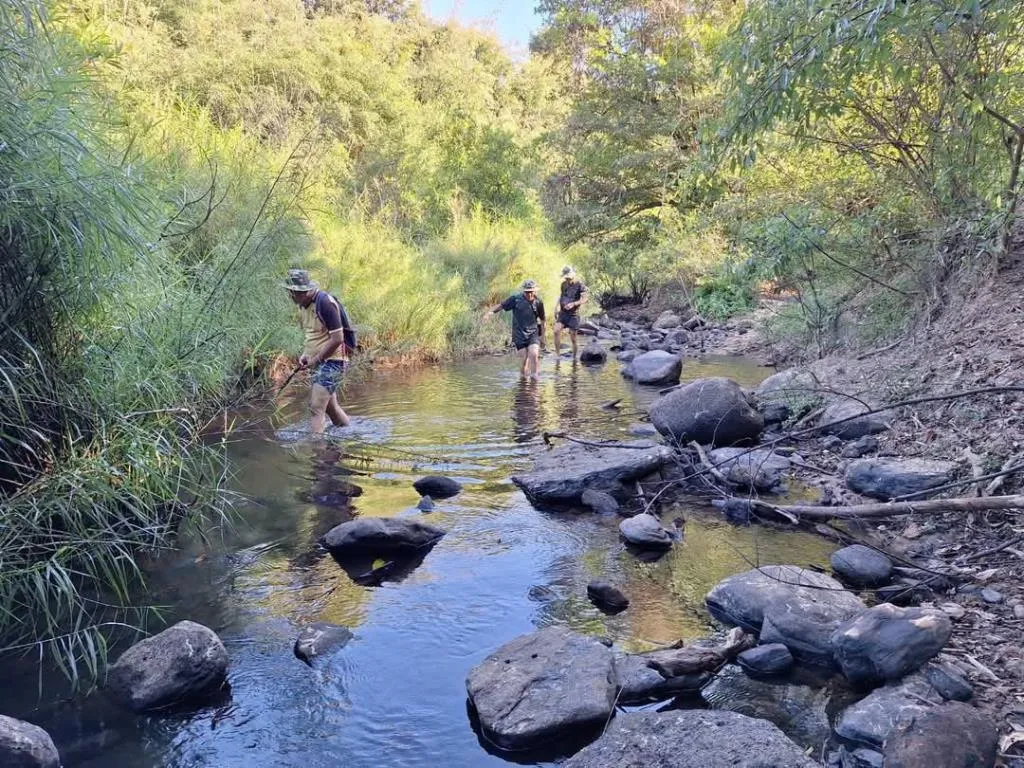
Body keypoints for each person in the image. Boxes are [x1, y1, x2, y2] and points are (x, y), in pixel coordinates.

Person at [283, 268, 357, 434]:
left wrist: (316, 359)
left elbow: (337, 339)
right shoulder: (304, 305)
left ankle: (316, 451)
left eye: (292, 293)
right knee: (331, 409)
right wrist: (305, 355)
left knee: (316, 408)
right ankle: (349, 434)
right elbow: (314, 334)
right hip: (320, 361)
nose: (290, 296)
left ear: (302, 291)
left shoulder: (325, 303)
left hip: (334, 361)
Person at [483, 279, 545, 379]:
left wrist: (542, 337)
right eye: (527, 292)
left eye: (531, 292)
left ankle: (535, 382)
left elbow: (542, 321)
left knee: (534, 355)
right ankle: (523, 381)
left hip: (533, 333)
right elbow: (501, 306)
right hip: (519, 334)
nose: (529, 294)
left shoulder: (538, 302)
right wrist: (489, 313)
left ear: (535, 291)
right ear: (524, 291)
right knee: (524, 359)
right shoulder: (515, 299)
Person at [553, 265, 589, 358]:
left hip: (573, 315)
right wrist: (556, 307)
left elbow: (585, 299)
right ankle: (557, 356)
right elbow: (561, 296)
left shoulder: (580, 285)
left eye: (569, 278)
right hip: (563, 313)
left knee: (573, 338)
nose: (567, 279)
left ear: (573, 275)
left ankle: (574, 359)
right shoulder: (563, 284)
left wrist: (574, 304)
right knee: (556, 331)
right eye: (566, 278)